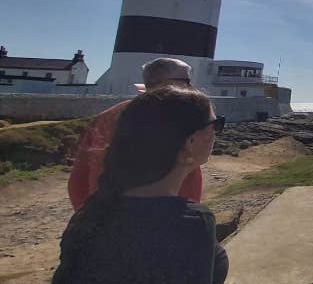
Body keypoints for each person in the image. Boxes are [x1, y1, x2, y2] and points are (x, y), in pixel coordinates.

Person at [53, 85, 228, 284]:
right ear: (191, 141)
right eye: (216, 124)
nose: (217, 132)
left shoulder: (91, 212)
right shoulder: (190, 222)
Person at [68, 58, 203, 211]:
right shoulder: (179, 121)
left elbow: (79, 177)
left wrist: (85, 215)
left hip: (105, 219)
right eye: (186, 81)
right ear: (163, 82)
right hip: (160, 221)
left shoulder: (107, 116)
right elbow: (189, 178)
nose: (191, 87)